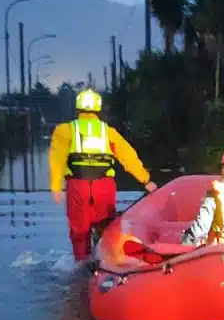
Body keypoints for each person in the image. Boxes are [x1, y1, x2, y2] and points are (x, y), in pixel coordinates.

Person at [48, 88, 158, 262]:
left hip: (78, 186)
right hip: (104, 187)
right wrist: (146, 180)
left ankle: (82, 265)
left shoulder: (65, 130)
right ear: (98, 109)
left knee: (79, 232)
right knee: (105, 229)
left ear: (78, 108)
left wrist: (55, 186)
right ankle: (106, 265)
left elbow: (57, 158)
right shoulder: (108, 132)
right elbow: (128, 156)